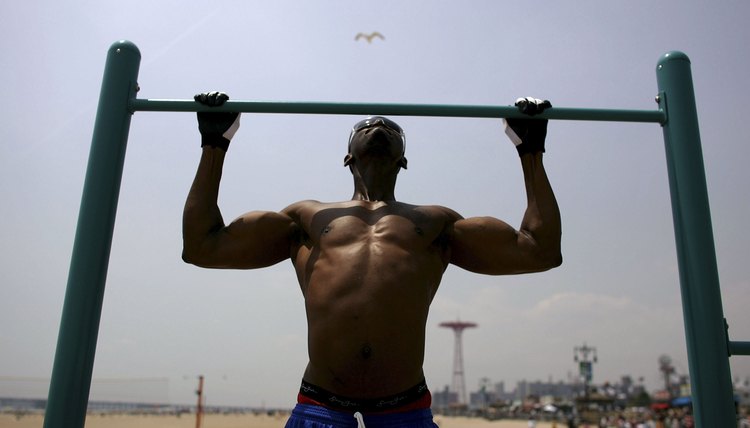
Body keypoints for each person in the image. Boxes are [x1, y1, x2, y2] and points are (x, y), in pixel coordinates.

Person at [183, 92, 562, 428]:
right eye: (366, 125)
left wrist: (529, 147)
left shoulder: (436, 222)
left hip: (405, 406)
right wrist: (215, 142)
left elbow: (538, 250)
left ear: (404, 159)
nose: (379, 124)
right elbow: (203, 247)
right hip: (322, 401)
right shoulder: (307, 218)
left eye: (392, 127)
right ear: (347, 155)